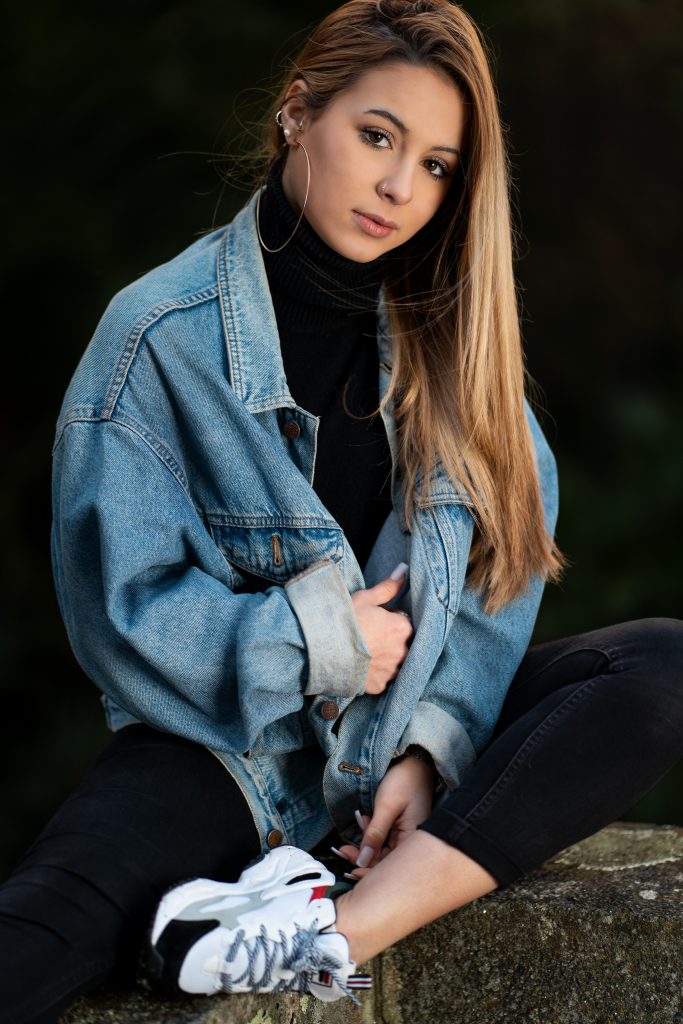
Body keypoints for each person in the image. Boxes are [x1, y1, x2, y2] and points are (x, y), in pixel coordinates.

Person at [2, 0, 682, 1019]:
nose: (400, 188)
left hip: (396, 745)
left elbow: (499, 565)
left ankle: (323, 935)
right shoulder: (157, 336)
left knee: (660, 668)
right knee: (41, 934)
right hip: (228, 752)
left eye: (437, 165)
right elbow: (122, 615)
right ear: (295, 113)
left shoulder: (451, 334)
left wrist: (429, 747)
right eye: (376, 136)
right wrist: (318, 641)